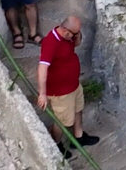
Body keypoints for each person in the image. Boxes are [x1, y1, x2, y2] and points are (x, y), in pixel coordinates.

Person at [37, 13, 101, 152]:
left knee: (78, 110)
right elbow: (42, 68)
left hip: (73, 85)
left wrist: (76, 35)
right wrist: (42, 93)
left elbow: (76, 44)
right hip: (61, 92)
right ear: (66, 31)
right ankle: (56, 144)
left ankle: (79, 137)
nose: (76, 36)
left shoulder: (67, 37)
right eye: (75, 33)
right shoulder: (50, 42)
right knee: (62, 122)